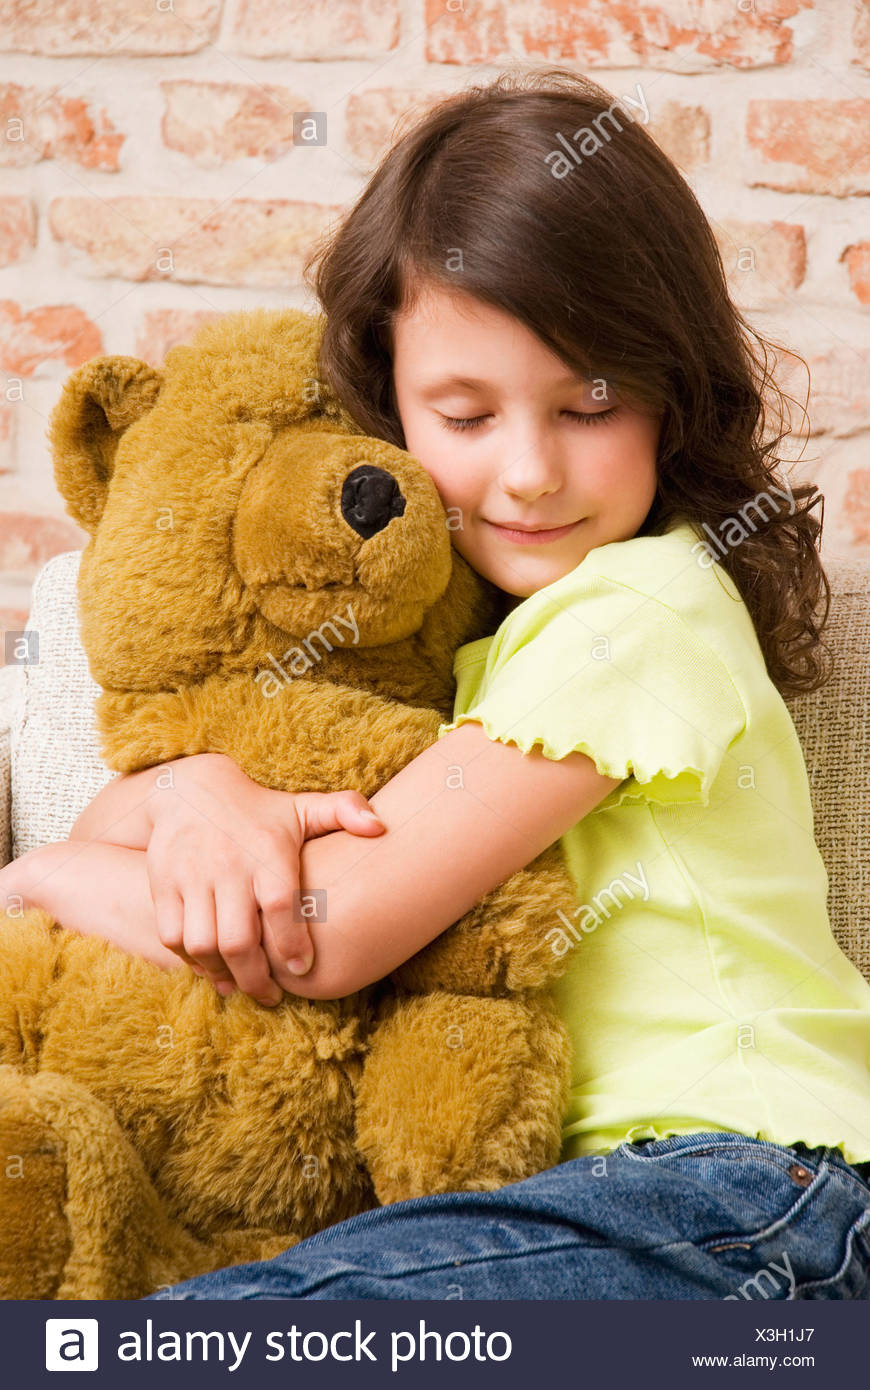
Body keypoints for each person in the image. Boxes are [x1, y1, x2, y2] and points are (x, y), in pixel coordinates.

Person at [5, 67, 870, 1300]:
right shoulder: (460, 658)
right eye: (464, 414)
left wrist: (38, 876)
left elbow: (326, 932)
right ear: (390, 406)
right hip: (588, 1212)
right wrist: (197, 785)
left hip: (745, 1195)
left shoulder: (642, 609)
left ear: (672, 390)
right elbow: (163, 842)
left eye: (592, 402)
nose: (526, 472)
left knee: (208, 1337)